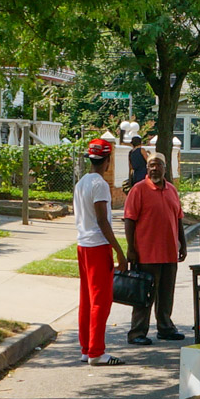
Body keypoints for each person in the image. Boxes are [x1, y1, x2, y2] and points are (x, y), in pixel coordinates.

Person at [123, 152, 187, 345]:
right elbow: (129, 220)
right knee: (144, 295)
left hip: (169, 252)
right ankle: (137, 332)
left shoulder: (172, 190)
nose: (154, 168)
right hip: (146, 253)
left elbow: (178, 218)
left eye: (158, 164)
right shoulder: (139, 189)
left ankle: (165, 328)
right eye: (151, 165)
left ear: (165, 168)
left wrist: (182, 243)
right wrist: (131, 248)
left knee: (166, 294)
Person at [73, 138, 128, 366]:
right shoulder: (100, 185)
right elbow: (102, 221)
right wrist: (119, 251)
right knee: (101, 301)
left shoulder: (81, 183)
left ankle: (86, 348)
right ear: (107, 161)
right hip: (97, 245)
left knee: (86, 299)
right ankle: (97, 351)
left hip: (83, 245)